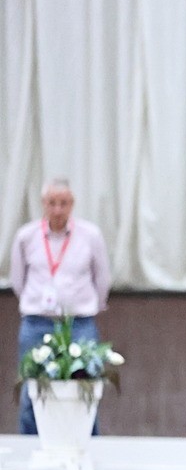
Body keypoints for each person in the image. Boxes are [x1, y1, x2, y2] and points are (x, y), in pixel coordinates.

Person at [10, 178, 112, 434]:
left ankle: (86, 445)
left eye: (63, 203)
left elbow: (102, 278)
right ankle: (31, 447)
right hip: (37, 322)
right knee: (32, 389)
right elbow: (17, 279)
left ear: (72, 204)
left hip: (79, 323)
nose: (57, 210)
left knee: (85, 388)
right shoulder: (26, 236)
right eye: (52, 203)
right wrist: (37, 304)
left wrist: (88, 304)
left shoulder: (90, 235)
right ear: (43, 204)